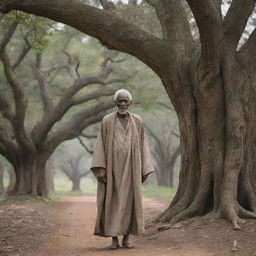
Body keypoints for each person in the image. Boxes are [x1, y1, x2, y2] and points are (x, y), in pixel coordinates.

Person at [90, 89, 154, 250]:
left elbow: (142, 144)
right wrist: (101, 169)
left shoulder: (137, 121)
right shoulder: (107, 121)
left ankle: (126, 239)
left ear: (130, 103)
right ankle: (113, 240)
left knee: (130, 204)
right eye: (120, 101)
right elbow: (100, 146)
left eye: (126, 101)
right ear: (115, 102)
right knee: (111, 203)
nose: (123, 103)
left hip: (131, 170)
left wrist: (143, 168)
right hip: (112, 170)